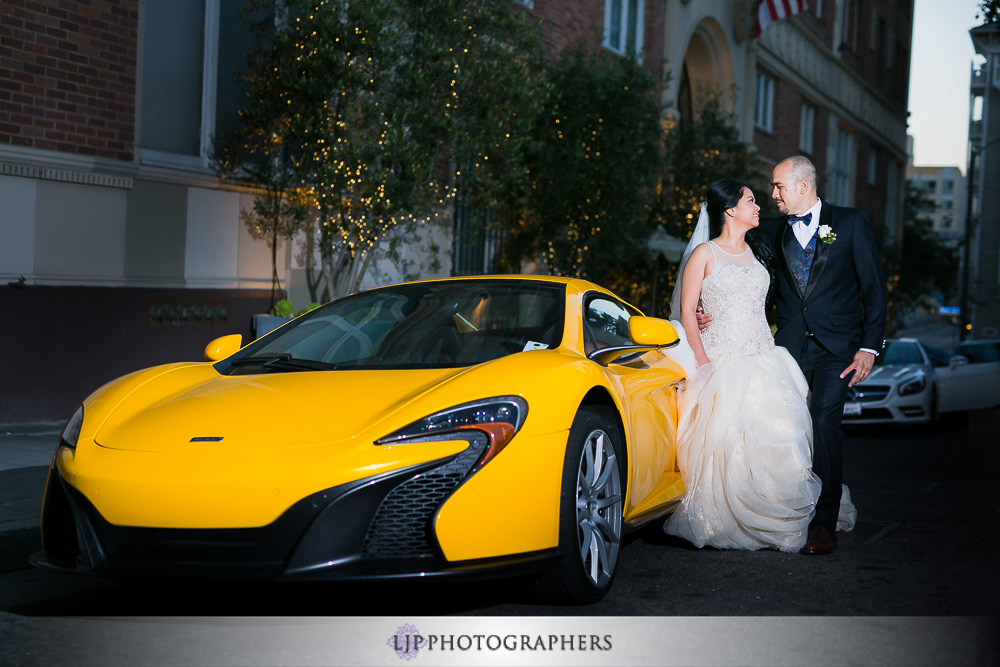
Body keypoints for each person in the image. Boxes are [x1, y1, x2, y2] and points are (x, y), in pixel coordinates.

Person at [697, 156, 886, 555]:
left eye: (779, 186)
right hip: (786, 349)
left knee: (825, 421)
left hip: (839, 350)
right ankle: (785, 508)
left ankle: (824, 521)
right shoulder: (767, 232)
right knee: (787, 429)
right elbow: (741, 281)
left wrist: (870, 347)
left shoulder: (850, 223)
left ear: (803, 186)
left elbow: (873, 289)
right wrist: (704, 310)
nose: (773, 194)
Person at [663, 179, 833, 552]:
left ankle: (780, 510)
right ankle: (730, 516)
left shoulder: (760, 248)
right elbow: (689, 313)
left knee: (782, 433)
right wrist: (704, 363)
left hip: (764, 357)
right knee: (727, 439)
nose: (759, 206)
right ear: (730, 210)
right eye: (751, 201)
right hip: (720, 360)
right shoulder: (704, 254)